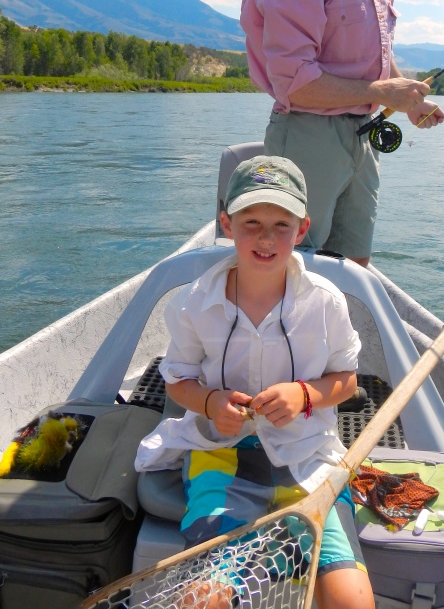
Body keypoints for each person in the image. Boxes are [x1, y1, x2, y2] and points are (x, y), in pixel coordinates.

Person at [135, 155, 375, 609]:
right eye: (251, 222)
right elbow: (178, 382)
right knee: (206, 597)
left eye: (281, 225)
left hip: (307, 455)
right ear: (226, 224)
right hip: (221, 455)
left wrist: (304, 394)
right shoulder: (193, 305)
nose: (266, 238)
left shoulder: (327, 303)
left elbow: (346, 381)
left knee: (351, 599)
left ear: (302, 230)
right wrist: (209, 404)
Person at [241, 0, 444, 268]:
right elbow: (293, 82)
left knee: (354, 264)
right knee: (288, 264)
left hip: (363, 137)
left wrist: (407, 99)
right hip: (306, 133)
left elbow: (378, 51)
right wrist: (382, 91)